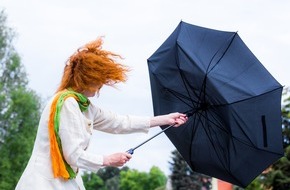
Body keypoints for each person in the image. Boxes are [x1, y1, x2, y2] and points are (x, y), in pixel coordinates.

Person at [15, 37, 188, 190]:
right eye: (100, 80)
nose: (101, 86)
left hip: (62, 181)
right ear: (88, 78)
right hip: (44, 183)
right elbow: (73, 155)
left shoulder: (83, 106)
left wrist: (165, 119)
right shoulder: (67, 104)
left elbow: (119, 122)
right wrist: (108, 160)